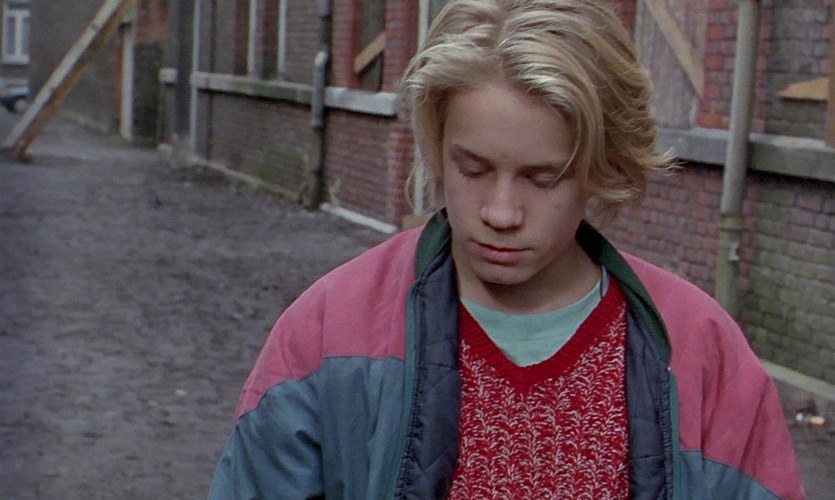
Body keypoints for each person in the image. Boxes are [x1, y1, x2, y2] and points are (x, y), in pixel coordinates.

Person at [209, 0, 805, 498]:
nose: (500, 213)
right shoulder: (331, 330)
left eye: (543, 179)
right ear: (436, 145)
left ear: (603, 167)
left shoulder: (701, 352)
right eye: (472, 169)